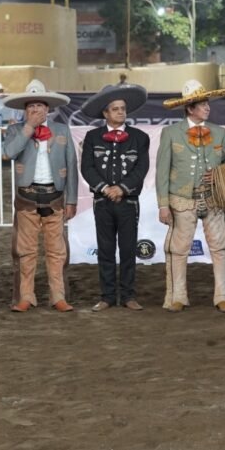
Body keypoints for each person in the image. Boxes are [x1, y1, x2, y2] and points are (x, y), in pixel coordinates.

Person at [156, 80, 225, 313]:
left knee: (221, 246)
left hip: (214, 198)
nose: (207, 107)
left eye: (207, 103)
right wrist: (163, 205)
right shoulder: (170, 133)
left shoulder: (219, 132)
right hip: (181, 198)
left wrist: (222, 171)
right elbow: (162, 171)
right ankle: (177, 296)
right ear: (190, 108)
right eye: (202, 104)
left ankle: (223, 296)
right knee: (178, 248)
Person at [3, 80, 78, 313]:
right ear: (25, 110)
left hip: (55, 196)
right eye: (31, 106)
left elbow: (71, 165)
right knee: (26, 250)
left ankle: (58, 296)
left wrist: (72, 199)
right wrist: (28, 128)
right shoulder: (15, 130)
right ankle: (26, 296)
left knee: (57, 251)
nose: (35, 109)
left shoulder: (62, 130)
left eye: (39, 105)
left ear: (47, 108)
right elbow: (8, 153)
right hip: (27, 197)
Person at [79, 84, 150, 312]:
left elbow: (141, 168)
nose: (121, 112)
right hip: (103, 202)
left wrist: (122, 188)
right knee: (105, 249)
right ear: (105, 113)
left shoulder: (140, 137)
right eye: (115, 109)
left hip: (128, 202)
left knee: (128, 250)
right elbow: (87, 168)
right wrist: (104, 188)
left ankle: (128, 296)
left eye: (123, 109)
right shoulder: (92, 137)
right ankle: (107, 296)